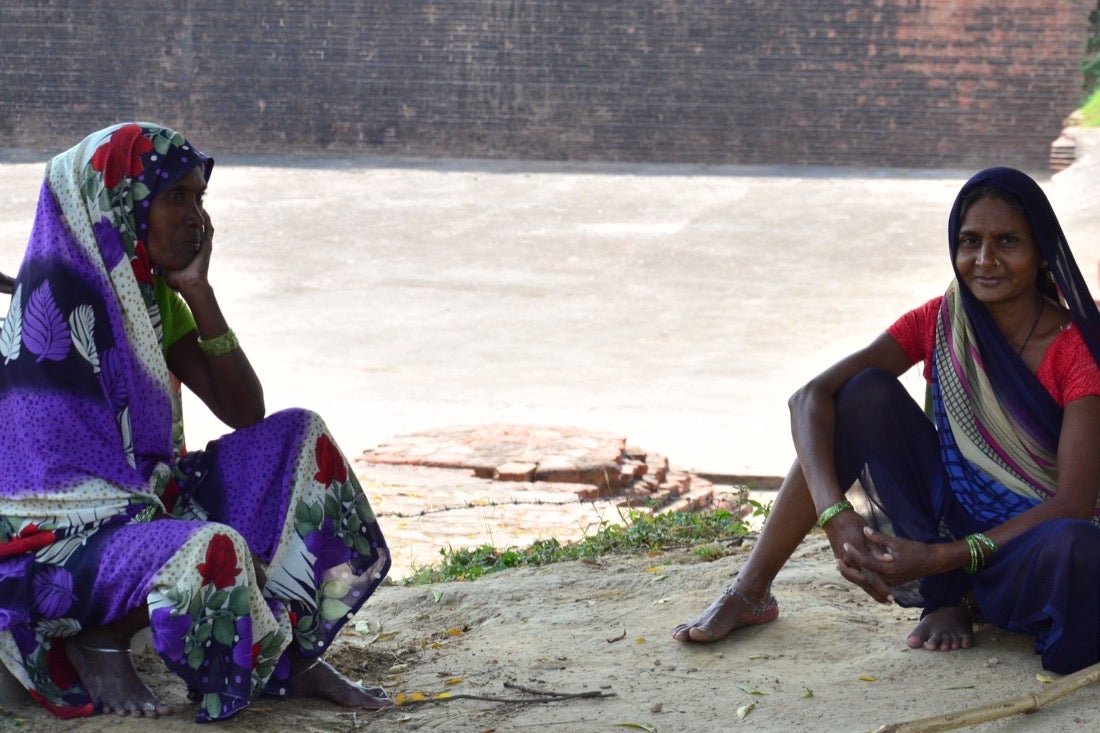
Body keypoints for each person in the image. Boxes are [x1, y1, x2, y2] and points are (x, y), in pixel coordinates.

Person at [0, 123, 392, 720]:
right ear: (121, 201)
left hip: (142, 505)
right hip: (62, 540)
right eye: (176, 198)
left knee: (299, 438)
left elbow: (244, 412)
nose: (198, 220)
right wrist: (167, 518)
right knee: (211, 549)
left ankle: (292, 656)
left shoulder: (145, 292)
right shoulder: (58, 295)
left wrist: (197, 291)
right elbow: (60, 488)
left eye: (199, 199)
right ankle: (99, 641)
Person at [673, 167, 1100, 675]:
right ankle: (750, 590)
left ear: (1041, 252)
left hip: (1032, 543)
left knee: (1077, 546)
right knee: (862, 396)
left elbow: (1072, 502)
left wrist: (935, 560)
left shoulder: (1079, 348)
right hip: (951, 520)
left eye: (1007, 241)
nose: (985, 260)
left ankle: (958, 591)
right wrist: (836, 515)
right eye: (970, 241)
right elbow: (809, 398)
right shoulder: (941, 321)